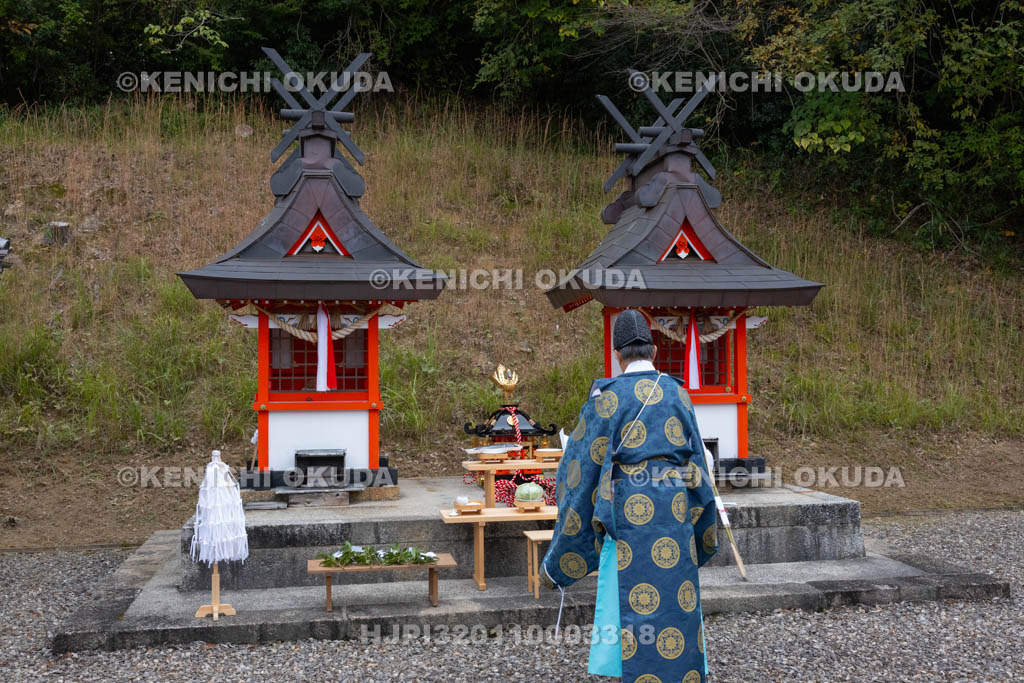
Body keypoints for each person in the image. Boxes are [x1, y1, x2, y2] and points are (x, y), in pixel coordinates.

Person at [541, 308, 718, 683]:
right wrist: (703, 520)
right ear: (653, 350)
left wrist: (570, 521)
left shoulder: (606, 398)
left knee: (626, 594)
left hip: (627, 510)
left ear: (618, 354)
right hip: (674, 509)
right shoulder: (678, 392)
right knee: (675, 591)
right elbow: (698, 462)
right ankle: (682, 670)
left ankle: (624, 668)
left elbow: (580, 466)